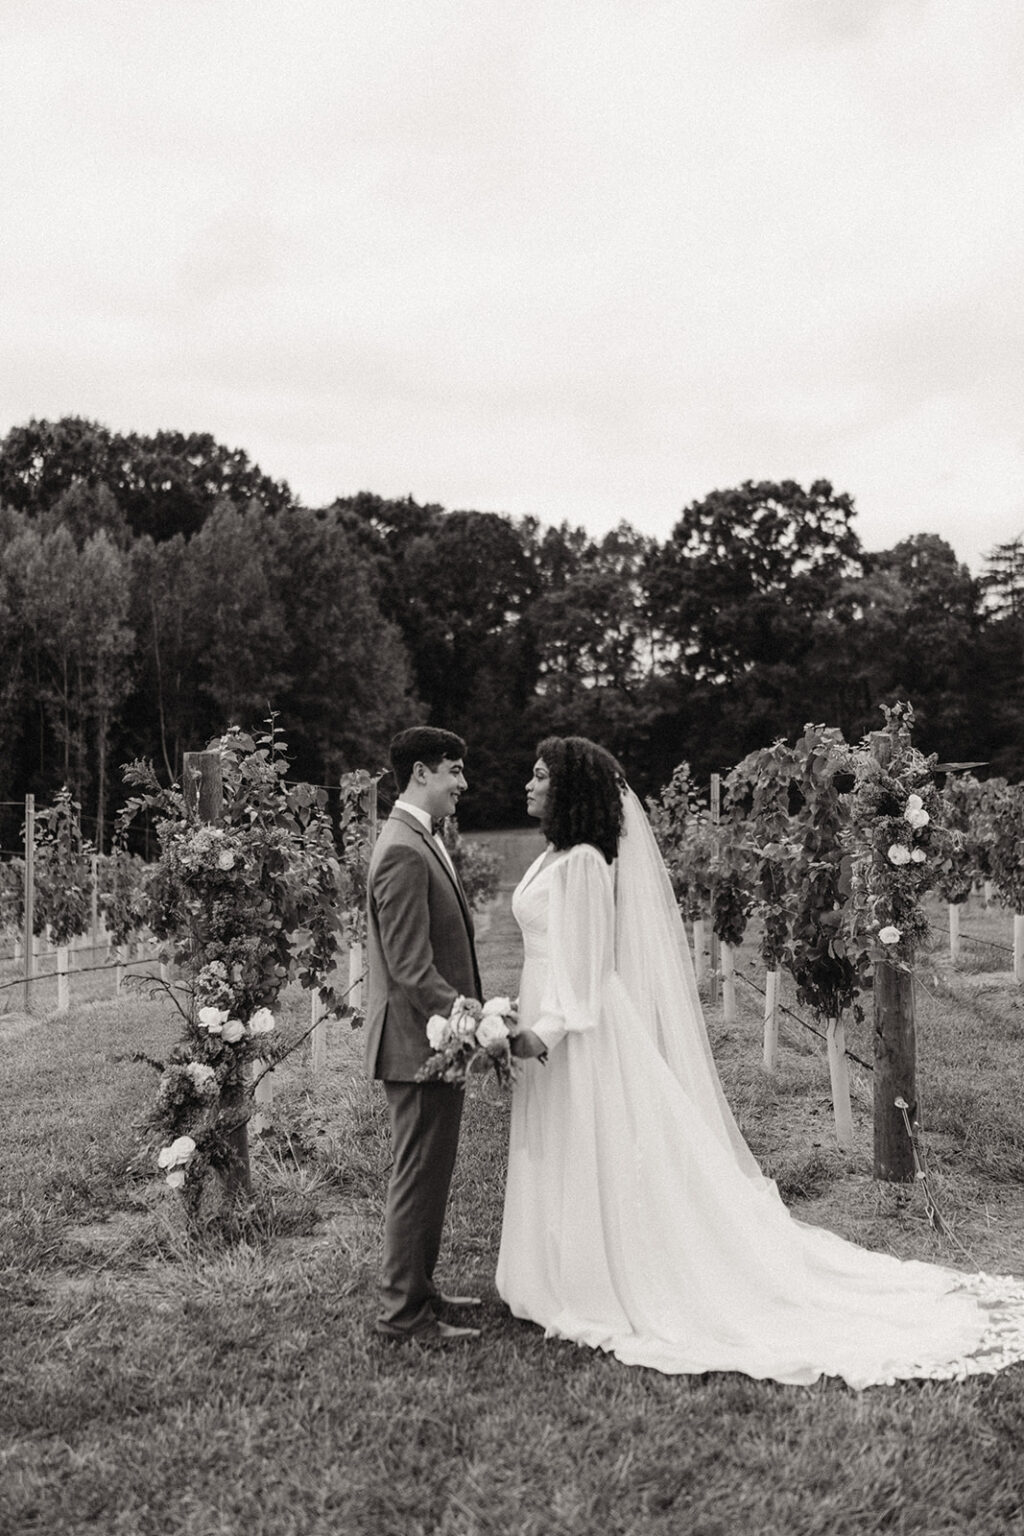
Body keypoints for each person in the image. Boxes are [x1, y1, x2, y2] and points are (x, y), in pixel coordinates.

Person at [497, 735, 1024, 1388]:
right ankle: (563, 1262)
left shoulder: (581, 862)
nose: (528, 783)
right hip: (551, 1019)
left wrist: (532, 1036)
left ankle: (596, 1275)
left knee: (594, 1149)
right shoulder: (555, 855)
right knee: (574, 1149)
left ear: (569, 790)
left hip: (575, 1033)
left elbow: (581, 979)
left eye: (541, 775)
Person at [366, 726, 483, 1342]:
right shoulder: (404, 849)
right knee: (416, 1175)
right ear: (420, 772)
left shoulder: (419, 837)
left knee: (430, 1172)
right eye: (454, 771)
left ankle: (420, 1290)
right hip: (419, 1043)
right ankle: (402, 1316)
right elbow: (411, 967)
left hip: (432, 1041)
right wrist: (474, 1016)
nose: (462, 784)